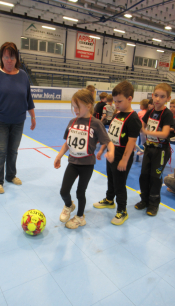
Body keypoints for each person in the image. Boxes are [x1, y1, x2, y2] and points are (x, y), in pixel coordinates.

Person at [54, 89, 114, 229]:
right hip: (72, 163)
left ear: (88, 105)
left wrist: (111, 152)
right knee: (64, 191)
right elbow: (67, 143)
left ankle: (80, 217)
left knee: (80, 192)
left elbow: (108, 141)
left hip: (87, 165)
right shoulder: (72, 122)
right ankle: (69, 205)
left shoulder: (96, 123)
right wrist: (59, 156)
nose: (74, 110)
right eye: (73, 106)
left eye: (77, 106)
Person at [0, 42, 36, 194]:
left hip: (18, 121)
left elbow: (28, 98)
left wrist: (33, 116)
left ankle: (11, 175)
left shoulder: (23, 75)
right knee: (0, 150)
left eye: (12, 57)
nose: (9, 60)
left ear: (16, 58)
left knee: (13, 150)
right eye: (6, 57)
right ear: (2, 57)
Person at [93, 81, 142, 225]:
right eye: (115, 101)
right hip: (111, 152)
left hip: (122, 155)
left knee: (120, 183)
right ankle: (109, 200)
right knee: (111, 179)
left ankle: (122, 210)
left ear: (130, 98)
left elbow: (132, 142)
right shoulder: (116, 115)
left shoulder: (133, 118)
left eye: (119, 101)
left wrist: (124, 160)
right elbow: (109, 136)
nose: (116, 104)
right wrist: (102, 149)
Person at [135, 83, 174, 216]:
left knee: (155, 177)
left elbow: (164, 134)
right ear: (152, 96)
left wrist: (147, 131)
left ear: (167, 99)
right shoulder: (150, 112)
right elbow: (143, 123)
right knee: (144, 176)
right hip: (149, 149)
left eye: (162, 97)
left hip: (161, 151)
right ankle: (144, 200)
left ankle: (153, 204)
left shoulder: (167, 114)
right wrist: (143, 129)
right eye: (156, 95)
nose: (158, 99)